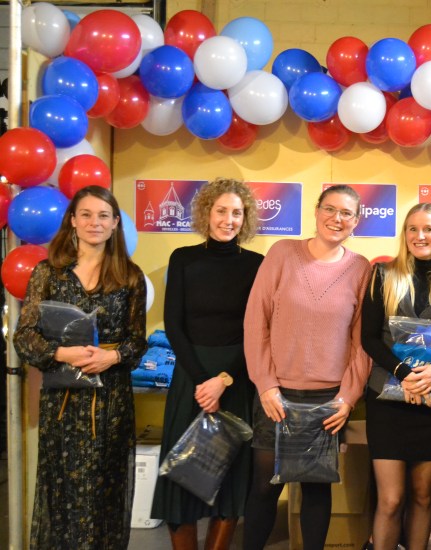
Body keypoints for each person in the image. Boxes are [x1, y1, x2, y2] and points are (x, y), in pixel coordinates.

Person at [13, 185, 147, 549]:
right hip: (63, 402)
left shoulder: (130, 277)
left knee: (106, 489)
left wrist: (112, 357)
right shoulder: (48, 273)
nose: (94, 222)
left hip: (111, 401)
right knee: (63, 490)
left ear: (115, 223)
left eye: (103, 216)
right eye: (86, 214)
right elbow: (24, 337)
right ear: (72, 220)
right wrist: (62, 354)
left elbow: (137, 342)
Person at [242, 184, 372, 550]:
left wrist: (347, 398)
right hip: (276, 395)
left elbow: (362, 342)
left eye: (346, 213)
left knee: (316, 489)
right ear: (316, 211)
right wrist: (266, 385)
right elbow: (256, 321)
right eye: (330, 209)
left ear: (356, 221)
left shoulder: (360, 268)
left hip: (328, 400)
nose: (336, 218)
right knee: (264, 487)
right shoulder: (282, 253)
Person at [151, 178, 264, 549]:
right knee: (179, 477)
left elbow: (257, 331)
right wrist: (203, 381)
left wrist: (223, 380)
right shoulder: (183, 258)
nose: (228, 220)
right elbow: (174, 325)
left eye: (237, 213)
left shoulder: (257, 265)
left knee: (229, 481)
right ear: (206, 213)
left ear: (245, 218)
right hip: (191, 378)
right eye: (221, 211)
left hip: (235, 378)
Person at [361, 203, 431, 550]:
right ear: (405, 234)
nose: (420, 236)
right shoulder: (383, 275)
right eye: (412, 229)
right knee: (391, 499)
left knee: (423, 496)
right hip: (387, 400)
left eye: (428, 229)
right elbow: (368, 338)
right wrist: (404, 374)